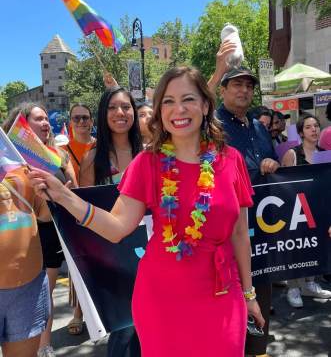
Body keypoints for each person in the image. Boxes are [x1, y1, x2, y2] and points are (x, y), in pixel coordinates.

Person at [29, 66, 264, 357]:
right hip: (161, 299)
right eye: (168, 101)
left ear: (205, 105)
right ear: (159, 111)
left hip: (222, 295)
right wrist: (64, 196)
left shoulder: (231, 160)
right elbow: (116, 226)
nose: (178, 109)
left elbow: (240, 234)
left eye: (188, 99)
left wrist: (249, 294)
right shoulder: (147, 164)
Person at [208, 42, 279, 357]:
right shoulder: (212, 125)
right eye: (237, 83)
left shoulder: (260, 128)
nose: (244, 90)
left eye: (249, 85)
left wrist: (272, 164)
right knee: (225, 306)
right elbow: (193, 106)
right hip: (223, 232)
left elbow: (273, 163)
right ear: (223, 90)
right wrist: (218, 69)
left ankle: (257, 350)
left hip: (260, 230)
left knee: (259, 298)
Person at [3, 103, 78, 357]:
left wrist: (60, 195)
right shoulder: (12, 159)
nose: (46, 123)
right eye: (39, 119)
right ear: (21, 123)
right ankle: (45, 346)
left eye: (47, 118)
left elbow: (53, 208)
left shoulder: (47, 157)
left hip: (56, 239)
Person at [79, 86, 142, 357]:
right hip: (114, 261)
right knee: (125, 333)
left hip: (149, 255)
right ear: (103, 114)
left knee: (154, 329)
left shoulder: (148, 154)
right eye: (113, 107)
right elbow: (84, 214)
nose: (120, 113)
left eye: (126, 107)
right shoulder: (93, 159)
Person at [282, 113, 331, 307]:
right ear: (301, 132)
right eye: (309, 127)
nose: (314, 130)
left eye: (316, 126)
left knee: (315, 246)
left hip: (318, 209)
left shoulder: (325, 154)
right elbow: (283, 185)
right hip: (296, 211)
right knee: (297, 248)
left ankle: (310, 284)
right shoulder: (292, 154)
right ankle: (293, 288)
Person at [61, 103, 96, 335]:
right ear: (70, 122)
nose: (82, 122)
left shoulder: (101, 146)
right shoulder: (62, 150)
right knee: (78, 262)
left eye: (85, 118)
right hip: (75, 212)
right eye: (77, 118)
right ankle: (78, 314)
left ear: (92, 121)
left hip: (100, 208)